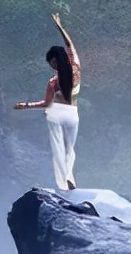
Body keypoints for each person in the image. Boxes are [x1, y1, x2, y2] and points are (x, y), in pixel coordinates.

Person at [15, 13, 82, 190]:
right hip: (72, 114)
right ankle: (69, 180)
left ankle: (64, 184)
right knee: (69, 150)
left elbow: (46, 104)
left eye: (52, 64)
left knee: (59, 149)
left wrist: (26, 105)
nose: (52, 67)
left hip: (56, 114)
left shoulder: (54, 81)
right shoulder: (76, 67)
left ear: (56, 62)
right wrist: (60, 27)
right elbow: (70, 45)